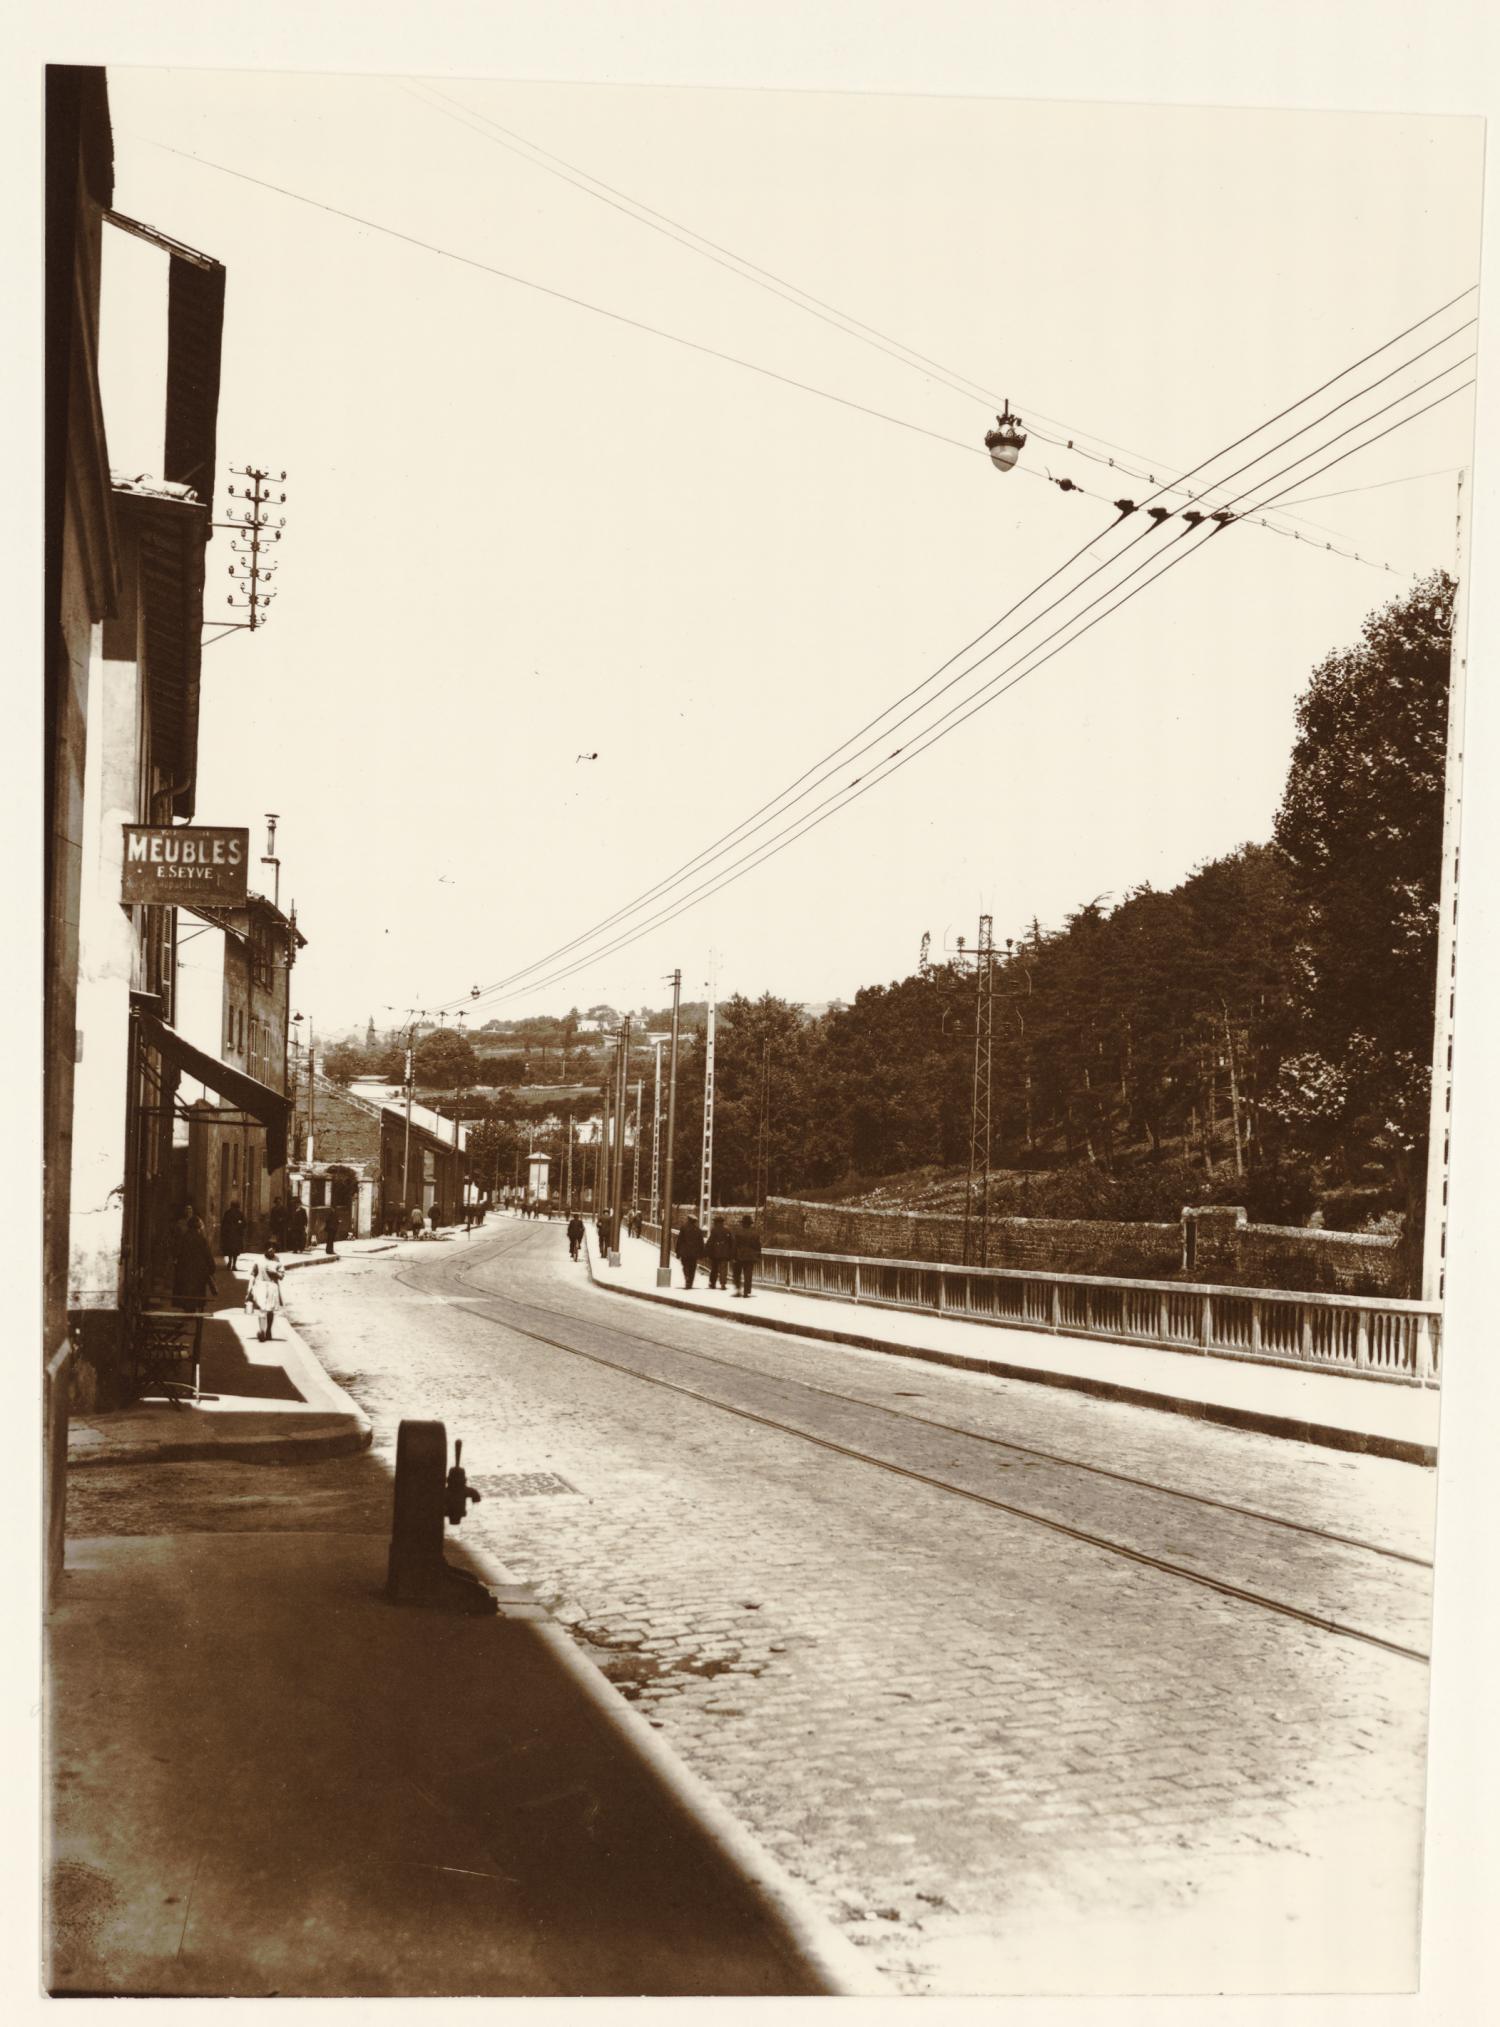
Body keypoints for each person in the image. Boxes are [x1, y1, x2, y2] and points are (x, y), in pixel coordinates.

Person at [172, 1211, 219, 1312]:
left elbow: (177, 1252)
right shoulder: (201, 1239)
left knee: (186, 1290)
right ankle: (193, 1310)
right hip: (198, 1271)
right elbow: (207, 1254)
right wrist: (212, 1267)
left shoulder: (184, 1238)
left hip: (185, 1269)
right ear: (198, 1227)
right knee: (196, 1291)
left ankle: (188, 1309)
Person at [245, 1243, 285, 1342]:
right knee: (262, 1309)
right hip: (260, 1286)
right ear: (265, 1250)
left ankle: (268, 1330)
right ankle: (262, 1331)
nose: (271, 1250)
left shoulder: (278, 1260)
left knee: (270, 1310)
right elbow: (253, 1274)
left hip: (272, 1286)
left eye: (273, 1248)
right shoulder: (258, 1260)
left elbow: (282, 1276)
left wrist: (274, 1273)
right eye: (269, 1248)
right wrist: (249, 1289)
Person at [732, 1215, 763, 1298]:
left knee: (737, 1273)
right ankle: (746, 1291)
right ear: (750, 1224)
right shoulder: (755, 1234)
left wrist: (733, 1256)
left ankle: (738, 1289)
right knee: (748, 1274)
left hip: (739, 1256)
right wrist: (758, 1256)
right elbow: (758, 1246)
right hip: (750, 1257)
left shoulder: (738, 1233)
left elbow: (735, 1246)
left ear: (743, 1223)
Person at [676, 1213, 705, 1289]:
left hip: (685, 1252)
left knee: (685, 1266)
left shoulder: (683, 1228)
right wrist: (701, 1254)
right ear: (695, 1221)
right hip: (694, 1253)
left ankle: (687, 1278)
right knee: (692, 1267)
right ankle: (690, 1282)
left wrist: (678, 1252)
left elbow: (679, 1241)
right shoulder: (698, 1230)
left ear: (688, 1220)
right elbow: (701, 1243)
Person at [706, 1215, 734, 1290]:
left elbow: (710, 1241)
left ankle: (712, 1283)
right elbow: (731, 1242)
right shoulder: (727, 1230)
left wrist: (707, 1251)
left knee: (714, 1269)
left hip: (715, 1253)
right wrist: (730, 1252)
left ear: (716, 1222)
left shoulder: (714, 1230)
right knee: (723, 1269)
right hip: (725, 1253)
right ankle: (723, 1283)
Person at [220, 1198, 245, 1272]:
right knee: (235, 1251)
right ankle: (234, 1264)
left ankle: (230, 1261)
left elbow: (224, 1224)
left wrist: (223, 1233)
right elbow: (244, 1223)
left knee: (230, 1249)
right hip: (236, 1235)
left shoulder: (227, 1213)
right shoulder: (240, 1213)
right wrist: (239, 1224)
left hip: (229, 1235)